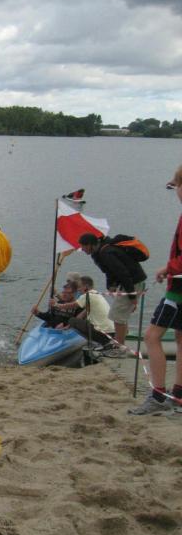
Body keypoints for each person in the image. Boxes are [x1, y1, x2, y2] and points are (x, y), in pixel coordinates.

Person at [129, 165, 182, 415]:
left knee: (151, 337)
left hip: (178, 290)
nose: (176, 191)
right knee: (180, 338)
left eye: (177, 186)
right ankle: (178, 395)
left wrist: (166, 268)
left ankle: (159, 395)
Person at [78, 232, 146, 345]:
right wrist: (111, 286)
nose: (82, 249)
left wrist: (132, 296)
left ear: (90, 245)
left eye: (83, 246)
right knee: (118, 315)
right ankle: (120, 343)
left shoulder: (106, 253)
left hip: (132, 283)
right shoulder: (101, 252)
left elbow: (123, 273)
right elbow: (109, 271)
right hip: (130, 283)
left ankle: (119, 347)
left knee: (117, 316)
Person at [49, 275, 115, 348]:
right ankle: (102, 342)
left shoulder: (88, 295)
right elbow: (81, 315)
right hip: (112, 333)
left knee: (72, 320)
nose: (78, 289)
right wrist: (68, 327)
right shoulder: (96, 294)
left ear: (86, 286)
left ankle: (100, 342)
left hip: (105, 333)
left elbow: (72, 305)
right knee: (74, 321)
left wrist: (56, 305)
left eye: (80, 287)